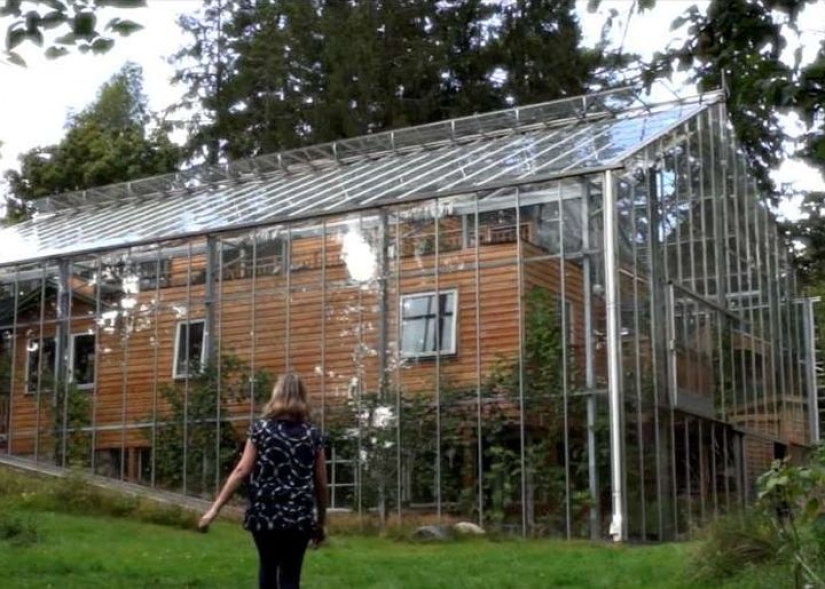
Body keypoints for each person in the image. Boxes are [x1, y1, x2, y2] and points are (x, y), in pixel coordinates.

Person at [199, 373, 328, 589]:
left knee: (267, 569)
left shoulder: (261, 430)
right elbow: (321, 484)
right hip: (299, 517)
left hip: (264, 514)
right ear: (303, 398)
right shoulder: (313, 435)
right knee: (290, 576)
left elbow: (241, 471)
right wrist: (321, 522)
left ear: (275, 395)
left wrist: (214, 510)